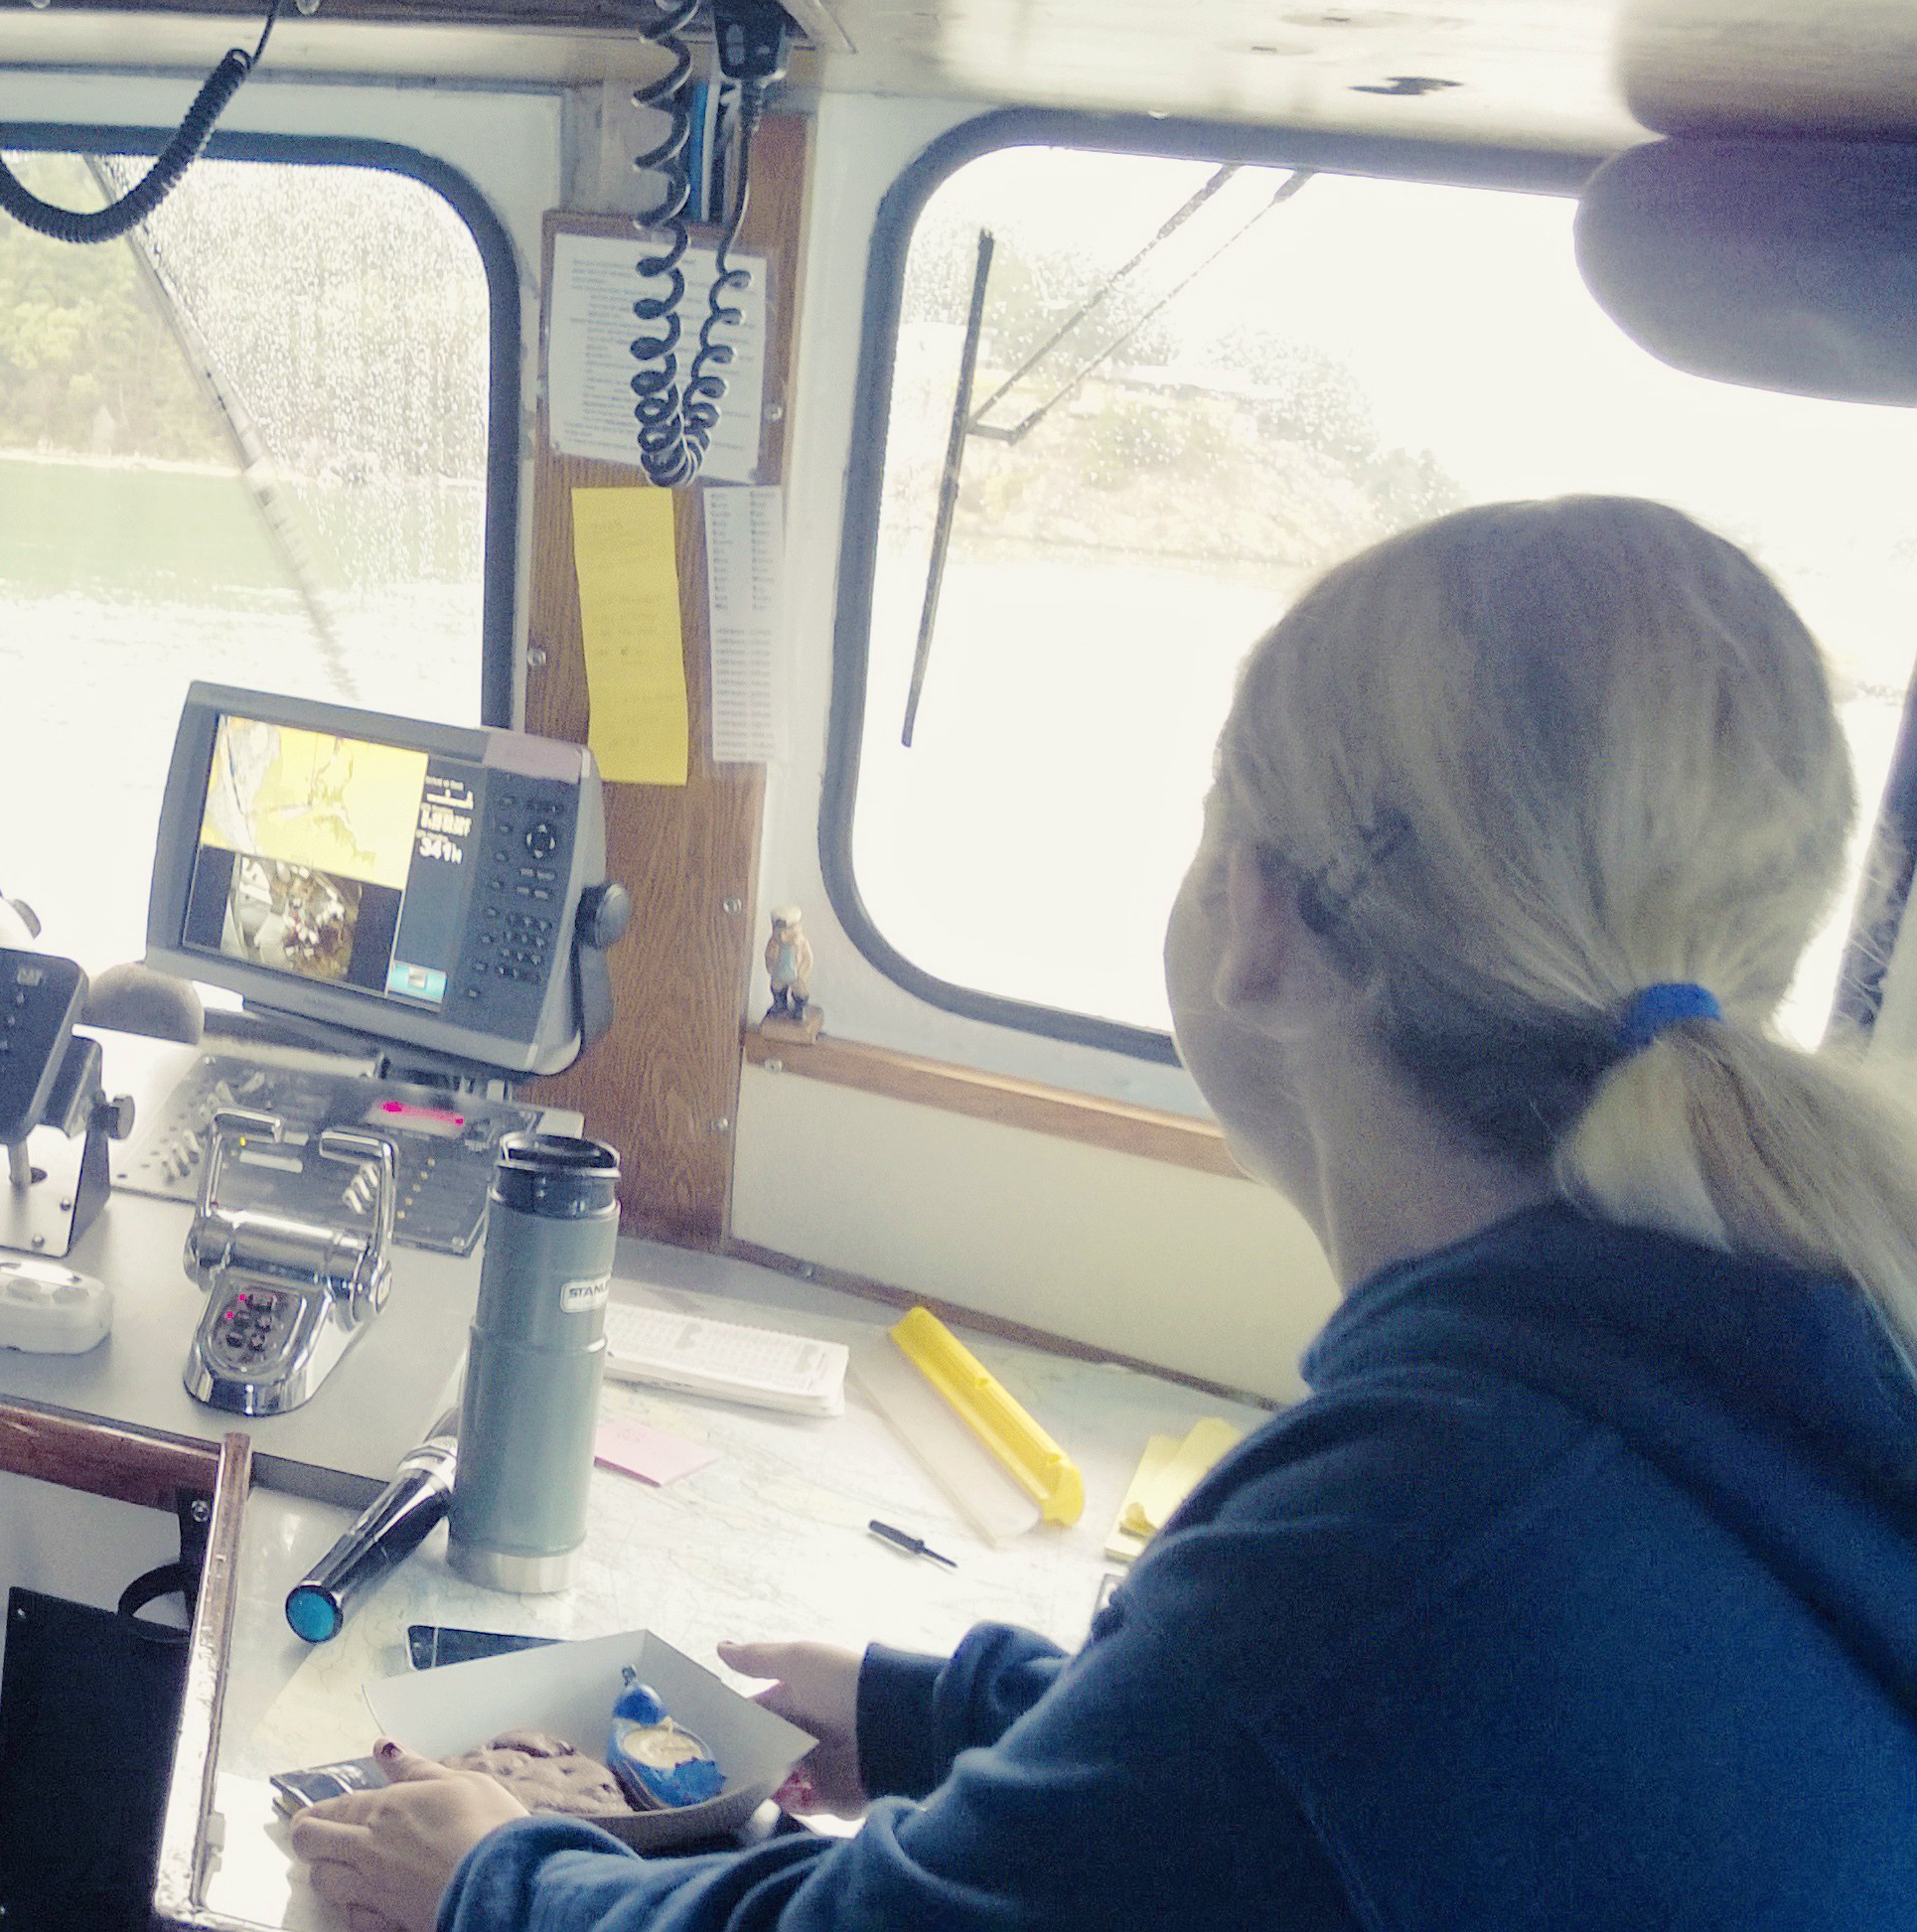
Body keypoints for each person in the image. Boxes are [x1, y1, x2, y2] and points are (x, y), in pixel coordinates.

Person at [289, 496, 1917, 1930]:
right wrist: (950, 1717)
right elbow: (1296, 1768)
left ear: (1258, 922)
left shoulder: (1418, 1528)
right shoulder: (1766, 1362)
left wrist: (495, 1883)